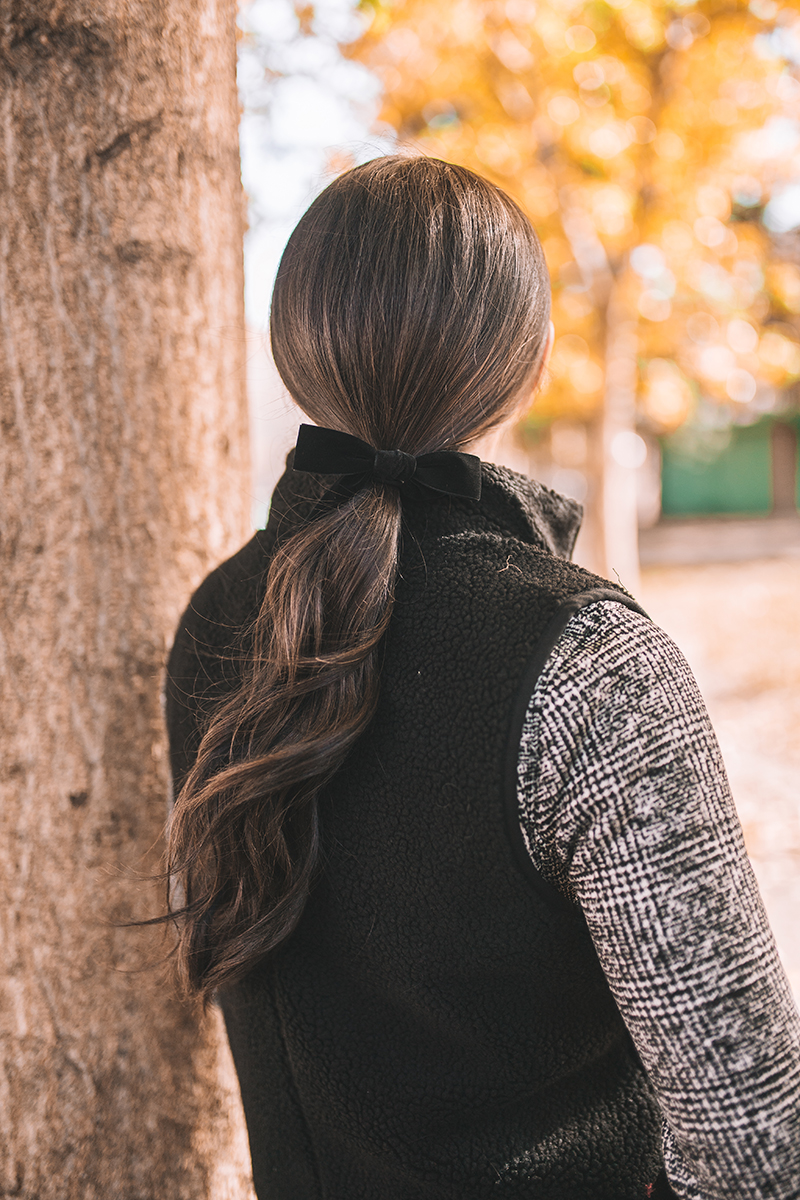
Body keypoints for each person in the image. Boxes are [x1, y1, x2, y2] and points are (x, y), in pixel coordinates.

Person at [164, 155, 800, 1200]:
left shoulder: (216, 625)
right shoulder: (589, 667)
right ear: (532, 360)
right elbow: (752, 1150)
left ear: (292, 357)